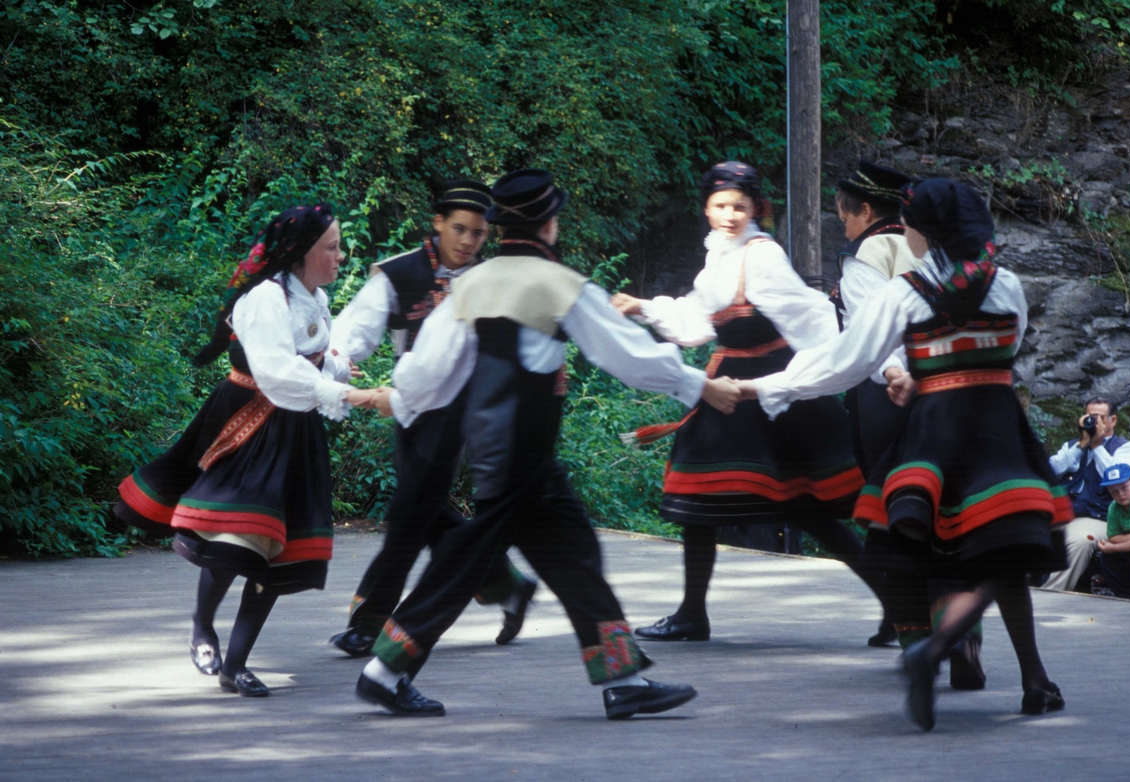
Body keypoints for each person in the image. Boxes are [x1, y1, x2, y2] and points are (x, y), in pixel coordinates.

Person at [352, 168, 741, 719]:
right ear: (549, 223)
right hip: (523, 454)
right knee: (469, 562)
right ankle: (385, 670)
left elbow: (431, 366)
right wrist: (697, 383)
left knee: (572, 554)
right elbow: (623, 352)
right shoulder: (557, 284)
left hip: (496, 448)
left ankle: (623, 679)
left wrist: (403, 399)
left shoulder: (470, 284)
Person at [738, 178, 1072, 730]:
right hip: (995, 425)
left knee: (997, 555)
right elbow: (1007, 348)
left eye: (910, 224)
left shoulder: (906, 292)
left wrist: (764, 388)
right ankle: (1011, 671)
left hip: (935, 431)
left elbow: (846, 361)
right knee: (1007, 550)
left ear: (928, 231)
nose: (906, 233)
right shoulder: (1006, 283)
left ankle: (991, 665)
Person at [609, 161, 885, 644]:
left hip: (772, 397)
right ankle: (692, 612)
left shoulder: (761, 256)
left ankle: (897, 605)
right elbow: (697, 324)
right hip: (728, 391)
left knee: (811, 512)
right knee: (698, 503)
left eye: (740, 206)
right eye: (721, 206)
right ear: (707, 211)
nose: (731, 215)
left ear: (757, 208)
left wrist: (841, 369)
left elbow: (813, 319)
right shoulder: (718, 259)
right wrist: (644, 307)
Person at [115, 204, 378, 696]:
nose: (341, 256)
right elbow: (277, 371)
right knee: (236, 542)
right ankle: (202, 626)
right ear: (301, 252)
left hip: (294, 432)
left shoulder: (314, 298)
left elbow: (318, 359)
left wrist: (337, 371)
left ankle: (236, 664)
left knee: (277, 552)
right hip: (246, 424)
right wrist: (344, 393)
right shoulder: (265, 298)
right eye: (332, 246)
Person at [327, 180, 536, 657]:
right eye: (459, 229)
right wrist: (334, 360)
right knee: (423, 510)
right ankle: (506, 583)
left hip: (464, 413)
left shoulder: (493, 283)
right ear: (438, 222)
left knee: (406, 518)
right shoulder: (401, 273)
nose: (467, 241)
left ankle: (371, 622)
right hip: (412, 407)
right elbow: (357, 325)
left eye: (479, 234)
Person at [829, 160, 986, 688]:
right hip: (957, 396)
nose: (842, 225)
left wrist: (897, 372)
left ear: (866, 210)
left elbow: (871, 334)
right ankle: (962, 635)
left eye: (843, 214)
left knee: (894, 520)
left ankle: (918, 643)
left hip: (888, 396)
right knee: (951, 518)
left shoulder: (868, 255)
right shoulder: (960, 261)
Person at [1043, 399, 1130, 591]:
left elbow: (1116, 479)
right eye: (1088, 416)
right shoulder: (1074, 445)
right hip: (1065, 512)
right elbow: (1051, 470)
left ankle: (1049, 593)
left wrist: (1097, 446)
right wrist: (1082, 444)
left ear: (1112, 420)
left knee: (1080, 539)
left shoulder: (1125, 448)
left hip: (1101, 517)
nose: (1092, 421)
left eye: (1098, 417)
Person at [1094, 463, 1130, 599]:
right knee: (1106, 558)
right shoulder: (1113, 507)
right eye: (1113, 491)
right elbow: (1113, 537)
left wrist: (1113, 548)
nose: (1120, 494)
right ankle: (1126, 596)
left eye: (1124, 487)